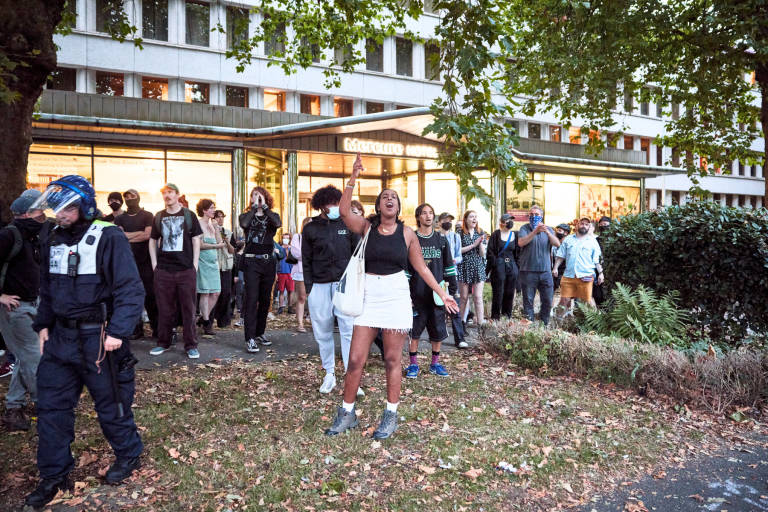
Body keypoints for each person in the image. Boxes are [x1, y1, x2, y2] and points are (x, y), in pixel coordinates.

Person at [25, 175, 144, 508]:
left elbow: (130, 289)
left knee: (112, 403)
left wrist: (118, 332)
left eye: (65, 210)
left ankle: (128, 453)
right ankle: (54, 474)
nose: (59, 215)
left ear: (85, 206)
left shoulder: (108, 237)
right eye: (56, 210)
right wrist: (43, 325)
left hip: (99, 337)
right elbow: (46, 287)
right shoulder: (52, 237)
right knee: (51, 409)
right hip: (60, 339)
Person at [325, 155, 458, 440]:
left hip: (396, 295)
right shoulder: (367, 228)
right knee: (356, 359)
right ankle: (346, 413)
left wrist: (442, 293)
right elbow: (345, 211)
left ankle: (390, 414)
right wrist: (352, 177)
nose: (389, 200)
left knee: (391, 358)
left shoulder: (407, 233)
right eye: (385, 197)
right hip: (369, 296)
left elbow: (421, 267)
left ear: (398, 207)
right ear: (378, 205)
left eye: (394, 198)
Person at [302, 185, 358, 394]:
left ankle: (351, 377)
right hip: (319, 283)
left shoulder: (347, 224)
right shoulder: (310, 228)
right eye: (331, 203)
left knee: (348, 330)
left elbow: (357, 255)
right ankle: (329, 373)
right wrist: (309, 287)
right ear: (321, 206)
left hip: (344, 284)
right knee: (322, 330)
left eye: (337, 202)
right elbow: (305, 260)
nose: (335, 207)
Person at [0, 189, 46, 431]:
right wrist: (1, 296)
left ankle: (14, 407)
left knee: (25, 358)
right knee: (34, 358)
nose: (44, 215)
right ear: (27, 213)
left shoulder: (31, 237)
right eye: (40, 211)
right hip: (13, 310)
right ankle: (46, 404)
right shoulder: (9, 236)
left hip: (32, 305)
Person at [149, 183, 203, 359]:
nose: (167, 195)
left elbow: (196, 240)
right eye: (164, 193)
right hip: (164, 269)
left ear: (178, 194)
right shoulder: (159, 216)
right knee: (164, 308)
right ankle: (163, 342)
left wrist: (194, 264)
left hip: (185, 269)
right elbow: (152, 240)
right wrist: (154, 264)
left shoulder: (189, 215)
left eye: (170, 192)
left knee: (188, 308)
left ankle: (191, 345)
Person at [405, 203, 458, 379]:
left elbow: (449, 267)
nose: (428, 216)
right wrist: (406, 294)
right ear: (418, 216)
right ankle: (413, 365)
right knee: (415, 331)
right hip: (417, 292)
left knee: (437, 329)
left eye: (431, 213)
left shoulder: (441, 240)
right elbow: (405, 268)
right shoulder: (411, 238)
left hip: (438, 294)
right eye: (424, 213)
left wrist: (452, 289)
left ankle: (435, 364)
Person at [239, 186, 281, 353]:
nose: (256, 198)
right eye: (253, 196)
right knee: (252, 298)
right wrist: (253, 208)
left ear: (265, 198)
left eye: (259, 195)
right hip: (251, 262)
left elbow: (277, 223)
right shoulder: (245, 216)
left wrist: (264, 208)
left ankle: (259, 332)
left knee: (265, 300)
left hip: (268, 262)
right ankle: (249, 337)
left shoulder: (272, 216)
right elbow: (244, 223)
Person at [114, 189, 157, 338]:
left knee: (151, 296)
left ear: (138, 197)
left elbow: (147, 235)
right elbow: (120, 236)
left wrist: (128, 236)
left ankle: (156, 328)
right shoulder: (120, 218)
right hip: (128, 263)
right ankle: (136, 329)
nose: (129, 199)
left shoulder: (147, 215)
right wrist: (138, 233)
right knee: (131, 296)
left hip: (145, 262)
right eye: (126, 197)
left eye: (132, 196)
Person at [517, 205, 561, 325]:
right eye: (531, 214)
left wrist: (547, 232)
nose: (533, 217)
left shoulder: (549, 229)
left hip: (545, 272)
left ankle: (544, 324)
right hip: (528, 271)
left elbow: (557, 244)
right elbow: (521, 243)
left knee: (547, 300)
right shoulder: (524, 228)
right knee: (528, 301)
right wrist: (535, 231)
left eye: (536, 215)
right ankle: (529, 326)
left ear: (541, 216)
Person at [552, 217, 604, 310]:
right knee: (564, 301)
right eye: (582, 223)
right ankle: (561, 321)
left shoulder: (593, 241)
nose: (584, 226)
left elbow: (597, 260)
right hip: (569, 276)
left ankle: (591, 322)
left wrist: (600, 273)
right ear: (577, 225)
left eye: (586, 224)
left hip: (586, 276)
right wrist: (555, 268)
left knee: (587, 302)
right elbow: (561, 255)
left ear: (589, 227)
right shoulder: (568, 239)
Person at [437, 212, 467, 348]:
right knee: (435, 306)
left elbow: (459, 256)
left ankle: (460, 338)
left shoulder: (455, 237)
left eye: (450, 220)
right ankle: (436, 336)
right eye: (445, 220)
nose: (448, 222)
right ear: (439, 222)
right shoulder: (435, 237)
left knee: (454, 304)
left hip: (451, 273)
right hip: (436, 275)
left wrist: (454, 260)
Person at [196, 199, 223, 338]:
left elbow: (220, 242)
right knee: (205, 293)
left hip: (213, 263)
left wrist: (216, 228)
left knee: (216, 292)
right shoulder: (198, 224)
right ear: (204, 210)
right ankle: (207, 322)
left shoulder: (212, 225)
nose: (214, 210)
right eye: (211, 208)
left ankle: (202, 316)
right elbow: (199, 244)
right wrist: (215, 247)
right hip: (203, 261)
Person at [486, 213, 519, 320]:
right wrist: (495, 263)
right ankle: (495, 317)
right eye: (507, 220)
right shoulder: (496, 234)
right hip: (499, 265)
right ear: (502, 223)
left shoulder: (515, 235)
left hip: (511, 265)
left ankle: (506, 317)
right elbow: (490, 251)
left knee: (510, 292)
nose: (510, 222)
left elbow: (518, 252)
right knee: (498, 292)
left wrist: (516, 266)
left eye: (511, 220)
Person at [457, 210, 486, 326]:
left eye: (476, 217)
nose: (474, 219)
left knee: (478, 297)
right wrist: (473, 245)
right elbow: (458, 251)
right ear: (466, 219)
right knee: (464, 297)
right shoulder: (459, 233)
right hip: (464, 266)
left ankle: (481, 324)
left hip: (478, 266)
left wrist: (480, 244)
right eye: (471, 217)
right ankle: (461, 324)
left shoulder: (480, 233)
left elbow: (482, 254)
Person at [211, 210, 236, 328]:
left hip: (226, 266)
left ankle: (223, 320)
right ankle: (209, 319)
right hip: (214, 266)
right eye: (218, 217)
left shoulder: (229, 233)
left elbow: (233, 250)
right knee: (213, 293)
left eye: (222, 217)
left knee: (226, 293)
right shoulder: (209, 231)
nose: (220, 219)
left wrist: (226, 241)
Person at [290, 218, 311, 332]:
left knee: (313, 298)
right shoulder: (297, 237)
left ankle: (313, 321)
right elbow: (296, 253)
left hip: (315, 271)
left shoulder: (317, 237)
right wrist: (311, 256)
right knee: (302, 297)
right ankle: (300, 323)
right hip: (300, 270)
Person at [593, 216, 611, 306]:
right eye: (601, 225)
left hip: (611, 270)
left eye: (605, 224)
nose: (603, 226)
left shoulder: (614, 240)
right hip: (597, 269)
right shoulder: (595, 241)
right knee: (598, 295)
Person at [276, 232, 294, 314]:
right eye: (284, 238)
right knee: (281, 291)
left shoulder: (292, 248)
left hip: (290, 272)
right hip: (281, 272)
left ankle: (290, 307)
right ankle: (281, 307)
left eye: (287, 238)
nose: (285, 240)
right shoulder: (279, 248)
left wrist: (287, 249)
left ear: (290, 239)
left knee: (290, 290)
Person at [551, 223, 571, 292]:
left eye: (559, 231)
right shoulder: (553, 243)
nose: (557, 232)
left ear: (566, 233)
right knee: (551, 291)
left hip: (565, 272)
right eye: (557, 230)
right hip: (554, 271)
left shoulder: (569, 244)